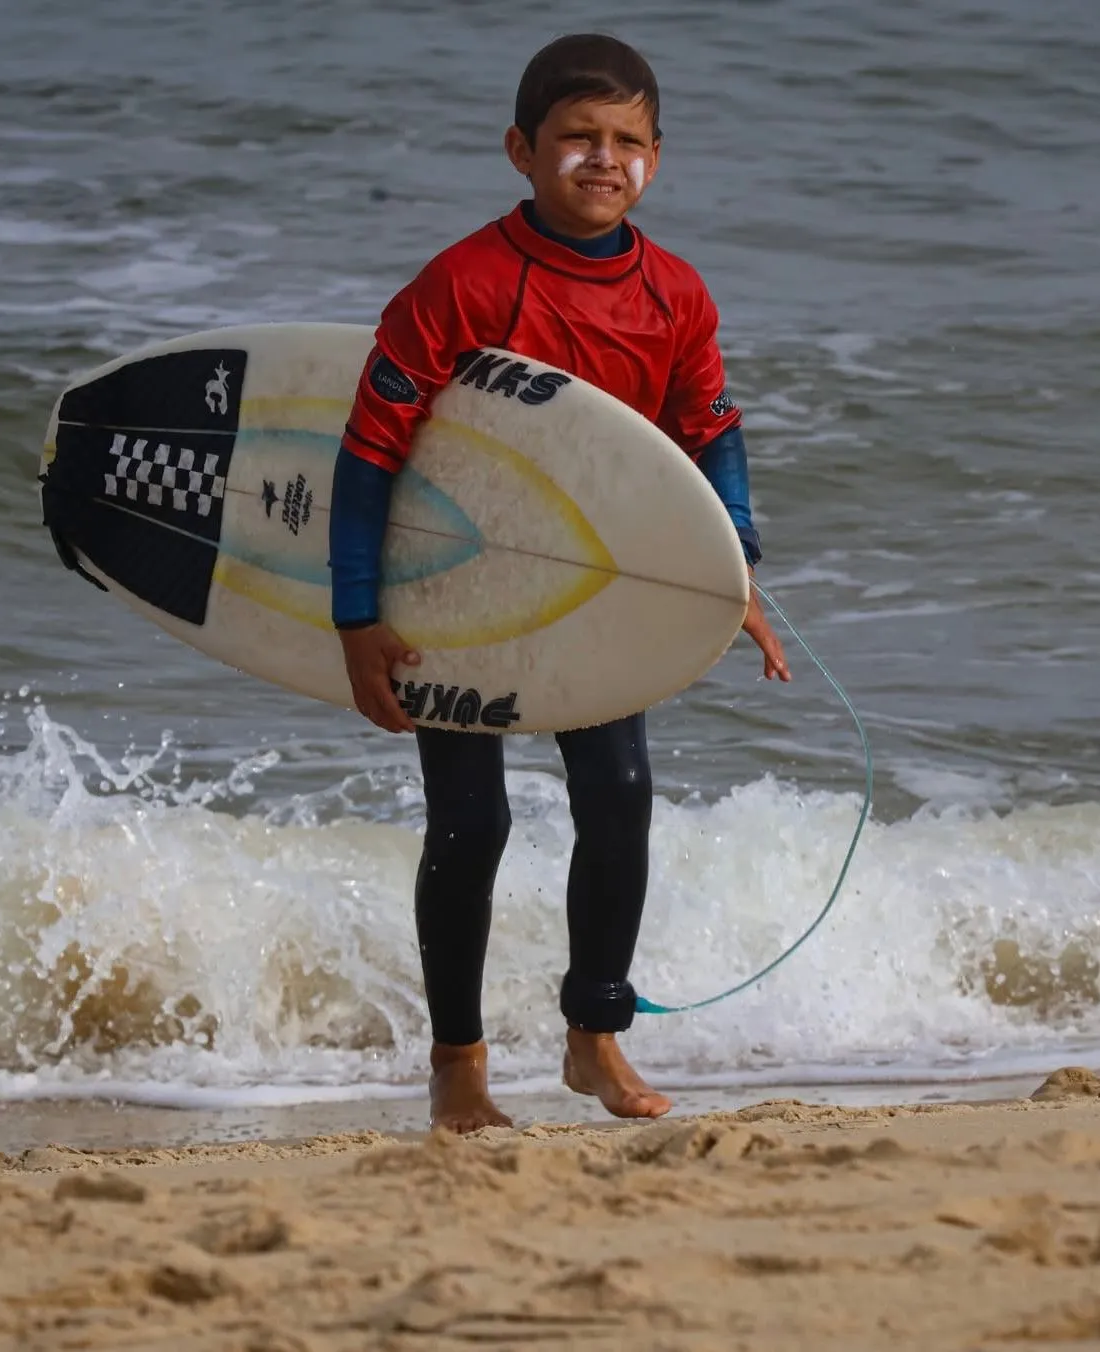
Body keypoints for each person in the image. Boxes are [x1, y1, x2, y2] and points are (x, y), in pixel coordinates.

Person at [329, 32, 789, 1133]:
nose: (602, 158)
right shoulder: (460, 285)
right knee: (470, 820)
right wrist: (357, 614)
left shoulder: (674, 295)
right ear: (520, 151)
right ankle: (458, 1067)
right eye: (576, 137)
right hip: (450, 583)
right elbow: (367, 452)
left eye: (626, 140)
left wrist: (736, 570)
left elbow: (707, 436)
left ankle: (594, 1035)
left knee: (619, 796)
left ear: (656, 160)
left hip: (594, 585)